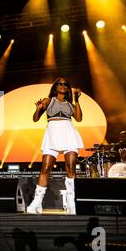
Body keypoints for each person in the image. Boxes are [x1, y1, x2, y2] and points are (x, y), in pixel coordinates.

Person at [27, 77, 83, 214]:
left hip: (69, 133)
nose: (63, 86)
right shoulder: (49, 100)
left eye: (65, 84)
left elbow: (79, 118)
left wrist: (77, 99)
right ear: (55, 87)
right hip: (52, 134)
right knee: (45, 168)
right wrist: (38, 109)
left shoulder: (71, 104)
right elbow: (35, 119)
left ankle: (71, 203)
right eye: (60, 84)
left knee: (70, 168)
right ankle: (37, 202)